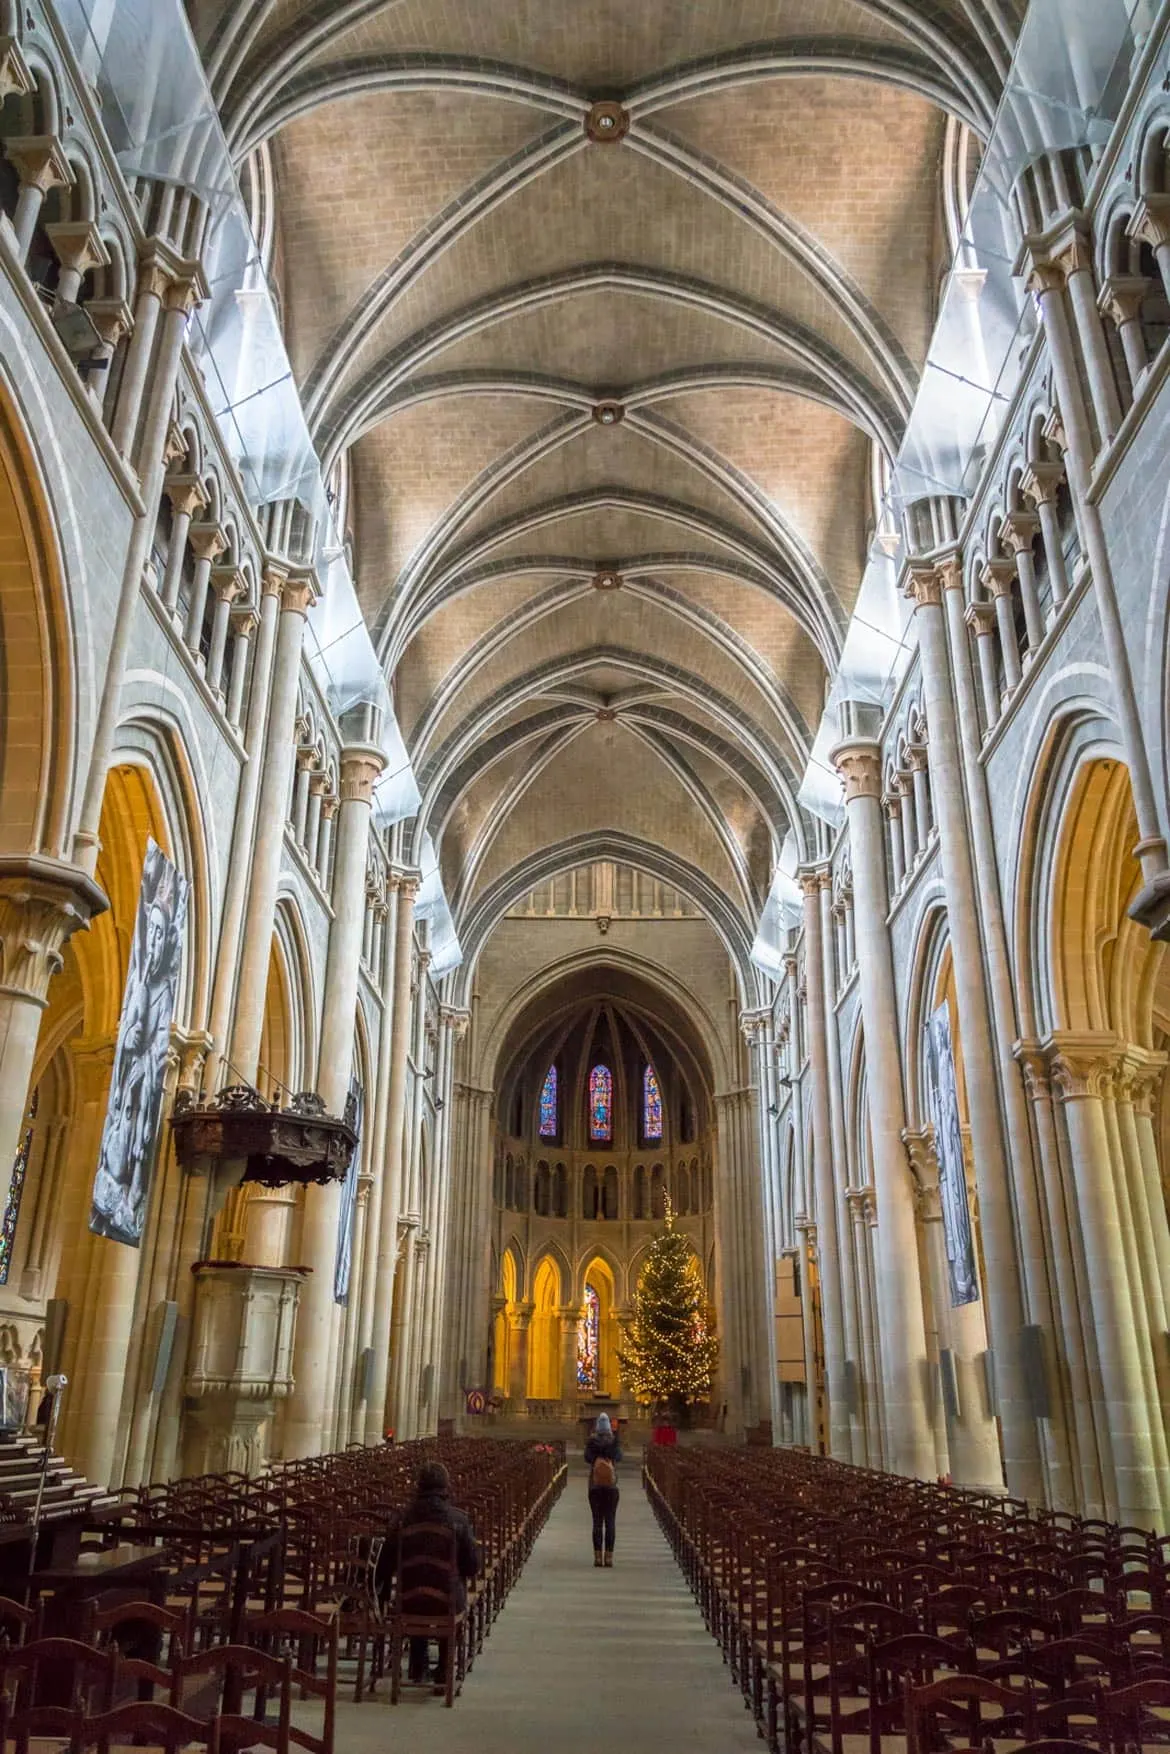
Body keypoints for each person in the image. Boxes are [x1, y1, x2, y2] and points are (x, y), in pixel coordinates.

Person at [376, 1461, 480, 1691]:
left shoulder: (402, 1519)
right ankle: (444, 1668)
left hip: (408, 1600)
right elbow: (472, 1567)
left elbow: (385, 1564)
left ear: (418, 1485)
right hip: (448, 1602)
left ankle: (418, 1665)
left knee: (418, 1585)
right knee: (445, 1586)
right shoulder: (458, 1520)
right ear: (446, 1486)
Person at [584, 1412, 622, 1567]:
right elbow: (619, 1457)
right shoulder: (613, 1442)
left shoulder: (592, 1442)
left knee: (597, 1522)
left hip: (595, 1486)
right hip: (611, 1487)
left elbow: (587, 1458)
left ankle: (597, 1557)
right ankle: (609, 1557)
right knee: (610, 1521)